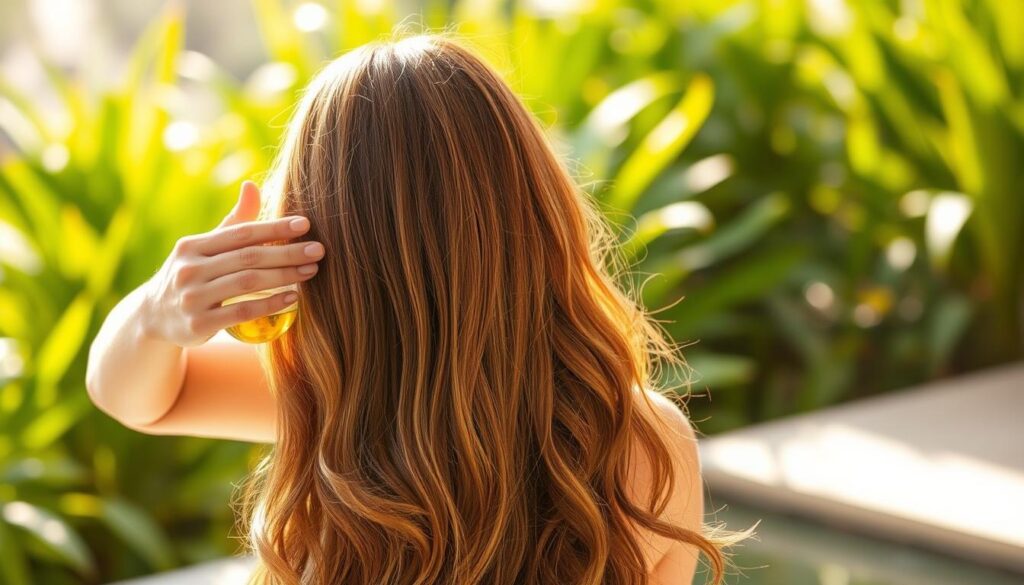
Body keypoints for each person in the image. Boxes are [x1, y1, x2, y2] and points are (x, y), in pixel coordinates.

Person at [87, 34, 740, 584]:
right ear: (538, 211)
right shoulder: (644, 443)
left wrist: (156, 313)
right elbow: (140, 399)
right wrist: (156, 314)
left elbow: (135, 398)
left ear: (319, 255)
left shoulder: (331, 404)